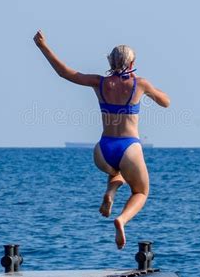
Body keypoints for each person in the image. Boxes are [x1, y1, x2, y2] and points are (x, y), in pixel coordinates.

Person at [33, 30, 170, 249]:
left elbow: (65, 73)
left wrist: (43, 47)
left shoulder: (99, 83)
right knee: (141, 192)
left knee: (116, 172)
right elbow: (166, 102)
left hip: (103, 149)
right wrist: (152, 91)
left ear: (110, 60)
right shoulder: (140, 84)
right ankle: (122, 219)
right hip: (129, 148)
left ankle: (110, 192)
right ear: (132, 61)